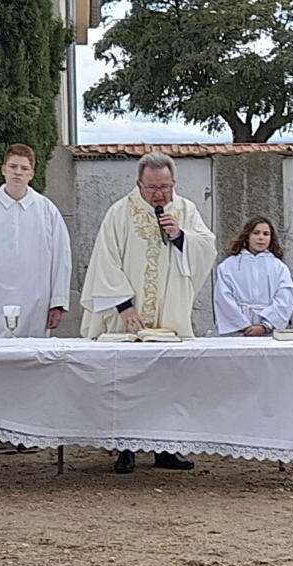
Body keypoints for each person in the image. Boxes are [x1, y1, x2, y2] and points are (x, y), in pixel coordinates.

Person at [80, 152, 218, 474]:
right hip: (127, 317)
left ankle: (166, 448)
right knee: (125, 382)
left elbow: (206, 247)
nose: (159, 194)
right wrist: (124, 306)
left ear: (173, 183)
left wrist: (180, 237)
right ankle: (125, 448)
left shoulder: (185, 210)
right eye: (152, 187)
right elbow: (105, 261)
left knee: (167, 380)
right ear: (139, 183)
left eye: (165, 187)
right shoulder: (119, 212)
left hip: (169, 314)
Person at [0, 143, 72, 338]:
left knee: (32, 354)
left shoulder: (47, 211)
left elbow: (62, 258)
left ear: (31, 174)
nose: (18, 172)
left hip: (36, 306)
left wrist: (57, 303)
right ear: (3, 169)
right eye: (13, 166)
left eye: (24, 168)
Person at [213, 216, 293, 335]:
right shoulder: (228, 266)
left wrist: (265, 325)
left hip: (268, 331)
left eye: (266, 234)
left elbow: (285, 297)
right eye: (256, 233)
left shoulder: (279, 268)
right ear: (247, 236)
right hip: (236, 330)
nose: (261, 237)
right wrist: (243, 325)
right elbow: (223, 297)